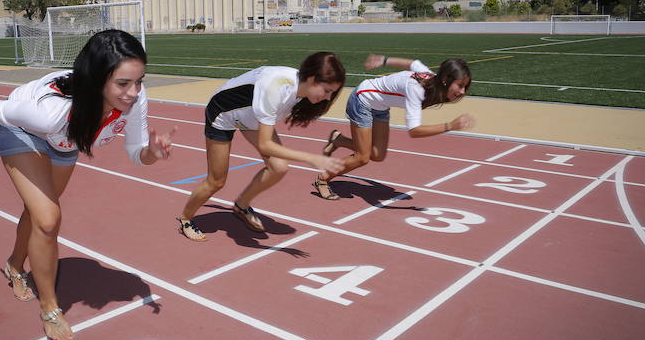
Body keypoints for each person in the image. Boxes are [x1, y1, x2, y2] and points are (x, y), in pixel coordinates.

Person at [0, 30, 175, 340]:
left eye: (140, 80)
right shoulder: (48, 111)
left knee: (39, 212)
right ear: (96, 79)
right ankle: (50, 308)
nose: (134, 92)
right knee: (48, 218)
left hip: (66, 139)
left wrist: (152, 153)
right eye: (123, 83)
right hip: (22, 131)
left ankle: (14, 265)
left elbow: (137, 152)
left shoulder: (134, 99)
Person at [177, 52, 347, 241]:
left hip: (252, 117)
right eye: (326, 91)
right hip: (223, 113)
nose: (327, 98)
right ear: (312, 79)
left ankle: (241, 205)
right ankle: (186, 218)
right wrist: (312, 158)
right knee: (216, 181)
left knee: (279, 167)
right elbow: (265, 145)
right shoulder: (275, 86)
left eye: (332, 93)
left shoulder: (301, 91)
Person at [313, 54, 475, 200]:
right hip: (362, 100)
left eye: (465, 87)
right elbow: (414, 131)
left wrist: (384, 60)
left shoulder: (432, 79)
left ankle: (338, 140)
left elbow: (413, 63)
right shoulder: (416, 90)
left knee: (377, 155)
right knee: (362, 158)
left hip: (380, 108)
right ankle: (322, 179)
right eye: (460, 85)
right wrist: (450, 125)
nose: (462, 91)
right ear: (445, 79)